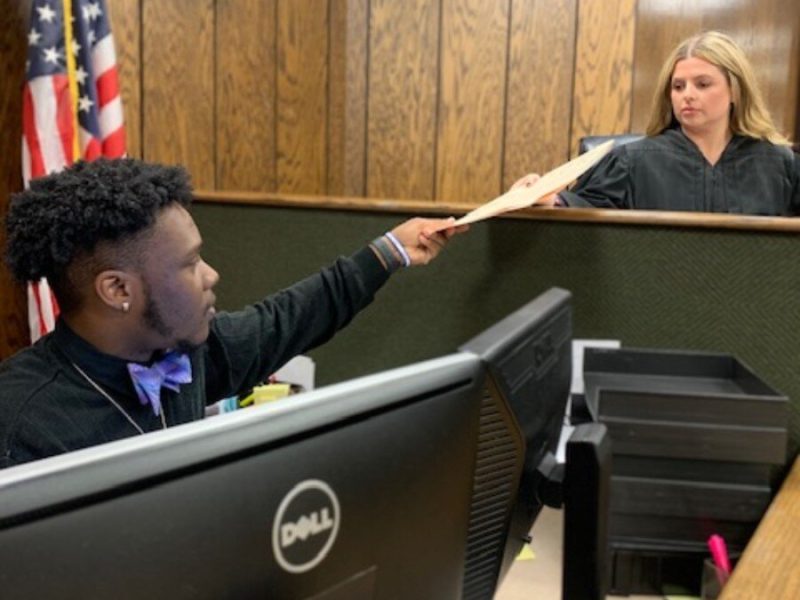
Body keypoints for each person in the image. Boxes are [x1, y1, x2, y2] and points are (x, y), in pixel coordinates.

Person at [0, 158, 465, 468]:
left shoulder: (183, 353)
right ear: (118, 289)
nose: (211, 275)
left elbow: (288, 319)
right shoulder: (22, 423)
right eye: (189, 264)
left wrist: (391, 251)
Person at [513, 31, 799, 215]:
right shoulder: (631, 162)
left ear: (735, 90)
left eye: (702, 84)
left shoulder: (779, 163)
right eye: (678, 87)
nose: (687, 95)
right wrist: (548, 198)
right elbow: (585, 209)